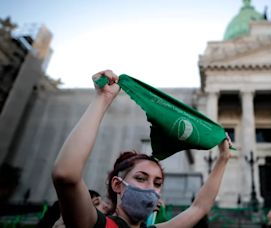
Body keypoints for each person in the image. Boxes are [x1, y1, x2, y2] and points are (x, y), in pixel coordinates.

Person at [52, 70, 232, 228]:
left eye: (157, 183)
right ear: (117, 185)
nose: (150, 189)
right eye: (141, 178)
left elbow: (199, 208)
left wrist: (223, 158)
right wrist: (103, 98)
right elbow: (66, 174)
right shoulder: (95, 224)